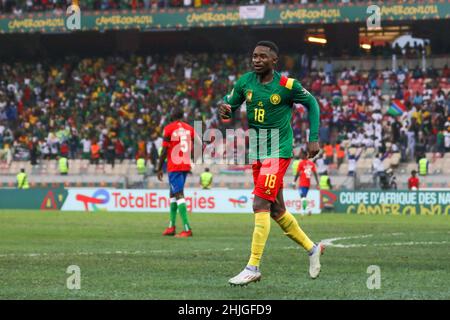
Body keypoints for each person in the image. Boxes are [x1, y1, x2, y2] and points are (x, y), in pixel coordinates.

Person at [219, 41, 323, 286]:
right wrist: (224, 110)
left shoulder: (288, 86)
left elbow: (313, 104)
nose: (256, 60)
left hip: (279, 150)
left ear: (274, 61)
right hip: (258, 152)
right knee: (276, 210)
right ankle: (312, 249)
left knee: (259, 203)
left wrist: (314, 137)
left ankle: (252, 266)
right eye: (254, 56)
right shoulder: (245, 82)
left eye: (262, 57)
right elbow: (229, 106)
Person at [156, 108, 202, 238]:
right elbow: (199, 144)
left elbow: (164, 150)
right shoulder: (189, 128)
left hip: (174, 166)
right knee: (173, 194)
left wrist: (159, 167)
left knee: (178, 194)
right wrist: (193, 158)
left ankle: (187, 229)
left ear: (172, 117)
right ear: (182, 117)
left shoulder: (169, 128)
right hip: (185, 165)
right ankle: (171, 227)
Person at [293, 150, 319, 215]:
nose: (300, 156)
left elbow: (297, 173)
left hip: (302, 183)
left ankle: (306, 210)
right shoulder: (311, 163)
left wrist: (294, 182)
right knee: (303, 197)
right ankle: (305, 211)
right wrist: (317, 182)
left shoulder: (301, 163)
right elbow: (315, 173)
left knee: (302, 197)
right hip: (308, 184)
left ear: (304, 155)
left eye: (301, 154)